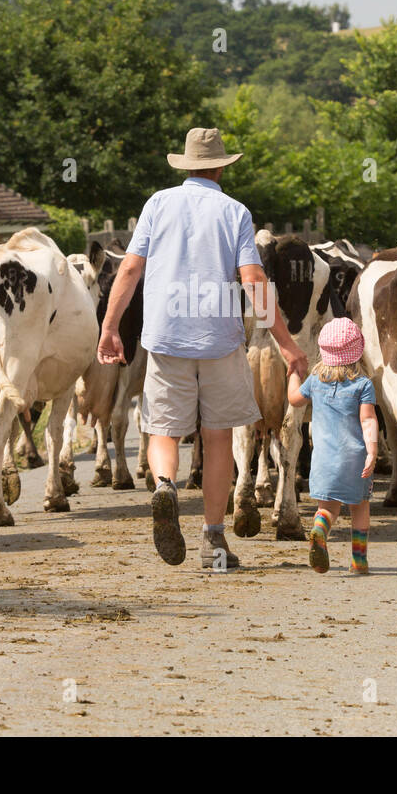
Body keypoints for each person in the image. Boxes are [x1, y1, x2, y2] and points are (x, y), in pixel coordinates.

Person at [98, 127, 308, 569]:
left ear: (186, 165)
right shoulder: (234, 211)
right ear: (219, 167)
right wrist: (287, 346)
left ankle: (164, 487)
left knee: (163, 431)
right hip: (219, 341)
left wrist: (110, 326)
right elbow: (252, 280)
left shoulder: (157, 204)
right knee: (217, 439)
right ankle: (214, 540)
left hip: (165, 336)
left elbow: (131, 268)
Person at [287, 317, 377, 574]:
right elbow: (368, 419)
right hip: (354, 460)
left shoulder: (315, 381)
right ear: (357, 350)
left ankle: (319, 530)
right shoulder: (363, 384)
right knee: (360, 506)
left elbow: (294, 400)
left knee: (327, 508)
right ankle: (359, 561)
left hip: (323, 461)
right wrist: (372, 450)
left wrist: (294, 374)